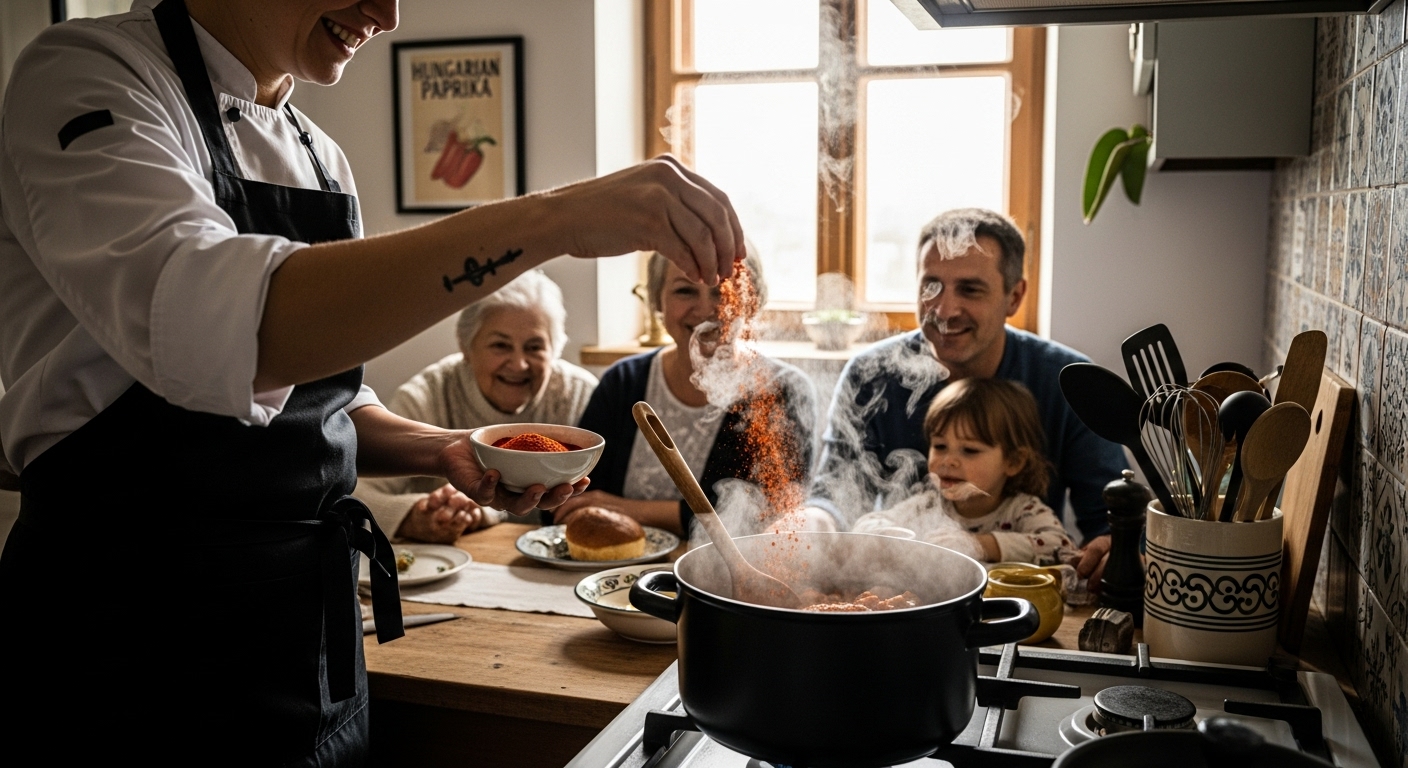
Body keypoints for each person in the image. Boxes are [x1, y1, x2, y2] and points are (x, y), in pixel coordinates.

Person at [0, 0, 746, 762]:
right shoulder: (90, 73)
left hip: (310, 635)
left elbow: (323, 400)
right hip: (129, 636)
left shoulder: (318, 154)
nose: (386, 15)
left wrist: (443, 448)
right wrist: (553, 220)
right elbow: (219, 333)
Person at [803, 208, 1127, 583]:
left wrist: (1113, 547)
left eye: (970, 290)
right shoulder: (869, 374)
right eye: (931, 286)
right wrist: (811, 523)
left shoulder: (1069, 380)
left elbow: (1111, 517)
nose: (944, 310)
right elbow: (833, 495)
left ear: (1014, 297)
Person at [559, 249, 816, 536]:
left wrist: (627, 510)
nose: (706, 310)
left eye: (723, 291)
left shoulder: (783, 390)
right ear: (657, 300)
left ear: (750, 301)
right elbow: (572, 495)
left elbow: (770, 515)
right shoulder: (623, 382)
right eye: (685, 291)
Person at [355, 270, 598, 542]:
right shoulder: (428, 394)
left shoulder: (581, 395)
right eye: (500, 345)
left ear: (555, 350)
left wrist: (485, 511)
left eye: (534, 347)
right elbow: (354, 492)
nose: (519, 364)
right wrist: (412, 516)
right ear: (466, 347)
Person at [852, 378, 1075, 567]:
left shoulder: (1023, 510)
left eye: (969, 450)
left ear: (1013, 462)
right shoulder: (928, 504)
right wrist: (885, 536)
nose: (948, 460)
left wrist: (980, 545)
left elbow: (1061, 546)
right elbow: (869, 523)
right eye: (940, 446)